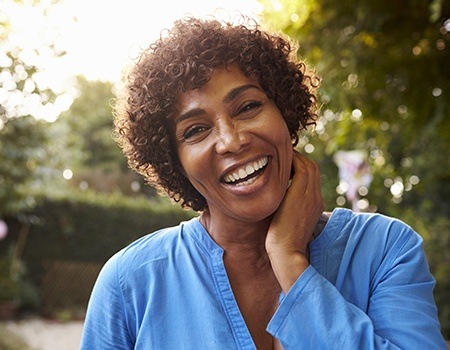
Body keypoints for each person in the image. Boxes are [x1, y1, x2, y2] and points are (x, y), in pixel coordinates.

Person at [80, 15, 447, 350]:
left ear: (285, 112)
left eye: (248, 107)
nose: (231, 140)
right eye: (195, 130)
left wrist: (290, 260)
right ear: (174, 162)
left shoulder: (385, 249)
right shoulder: (130, 283)